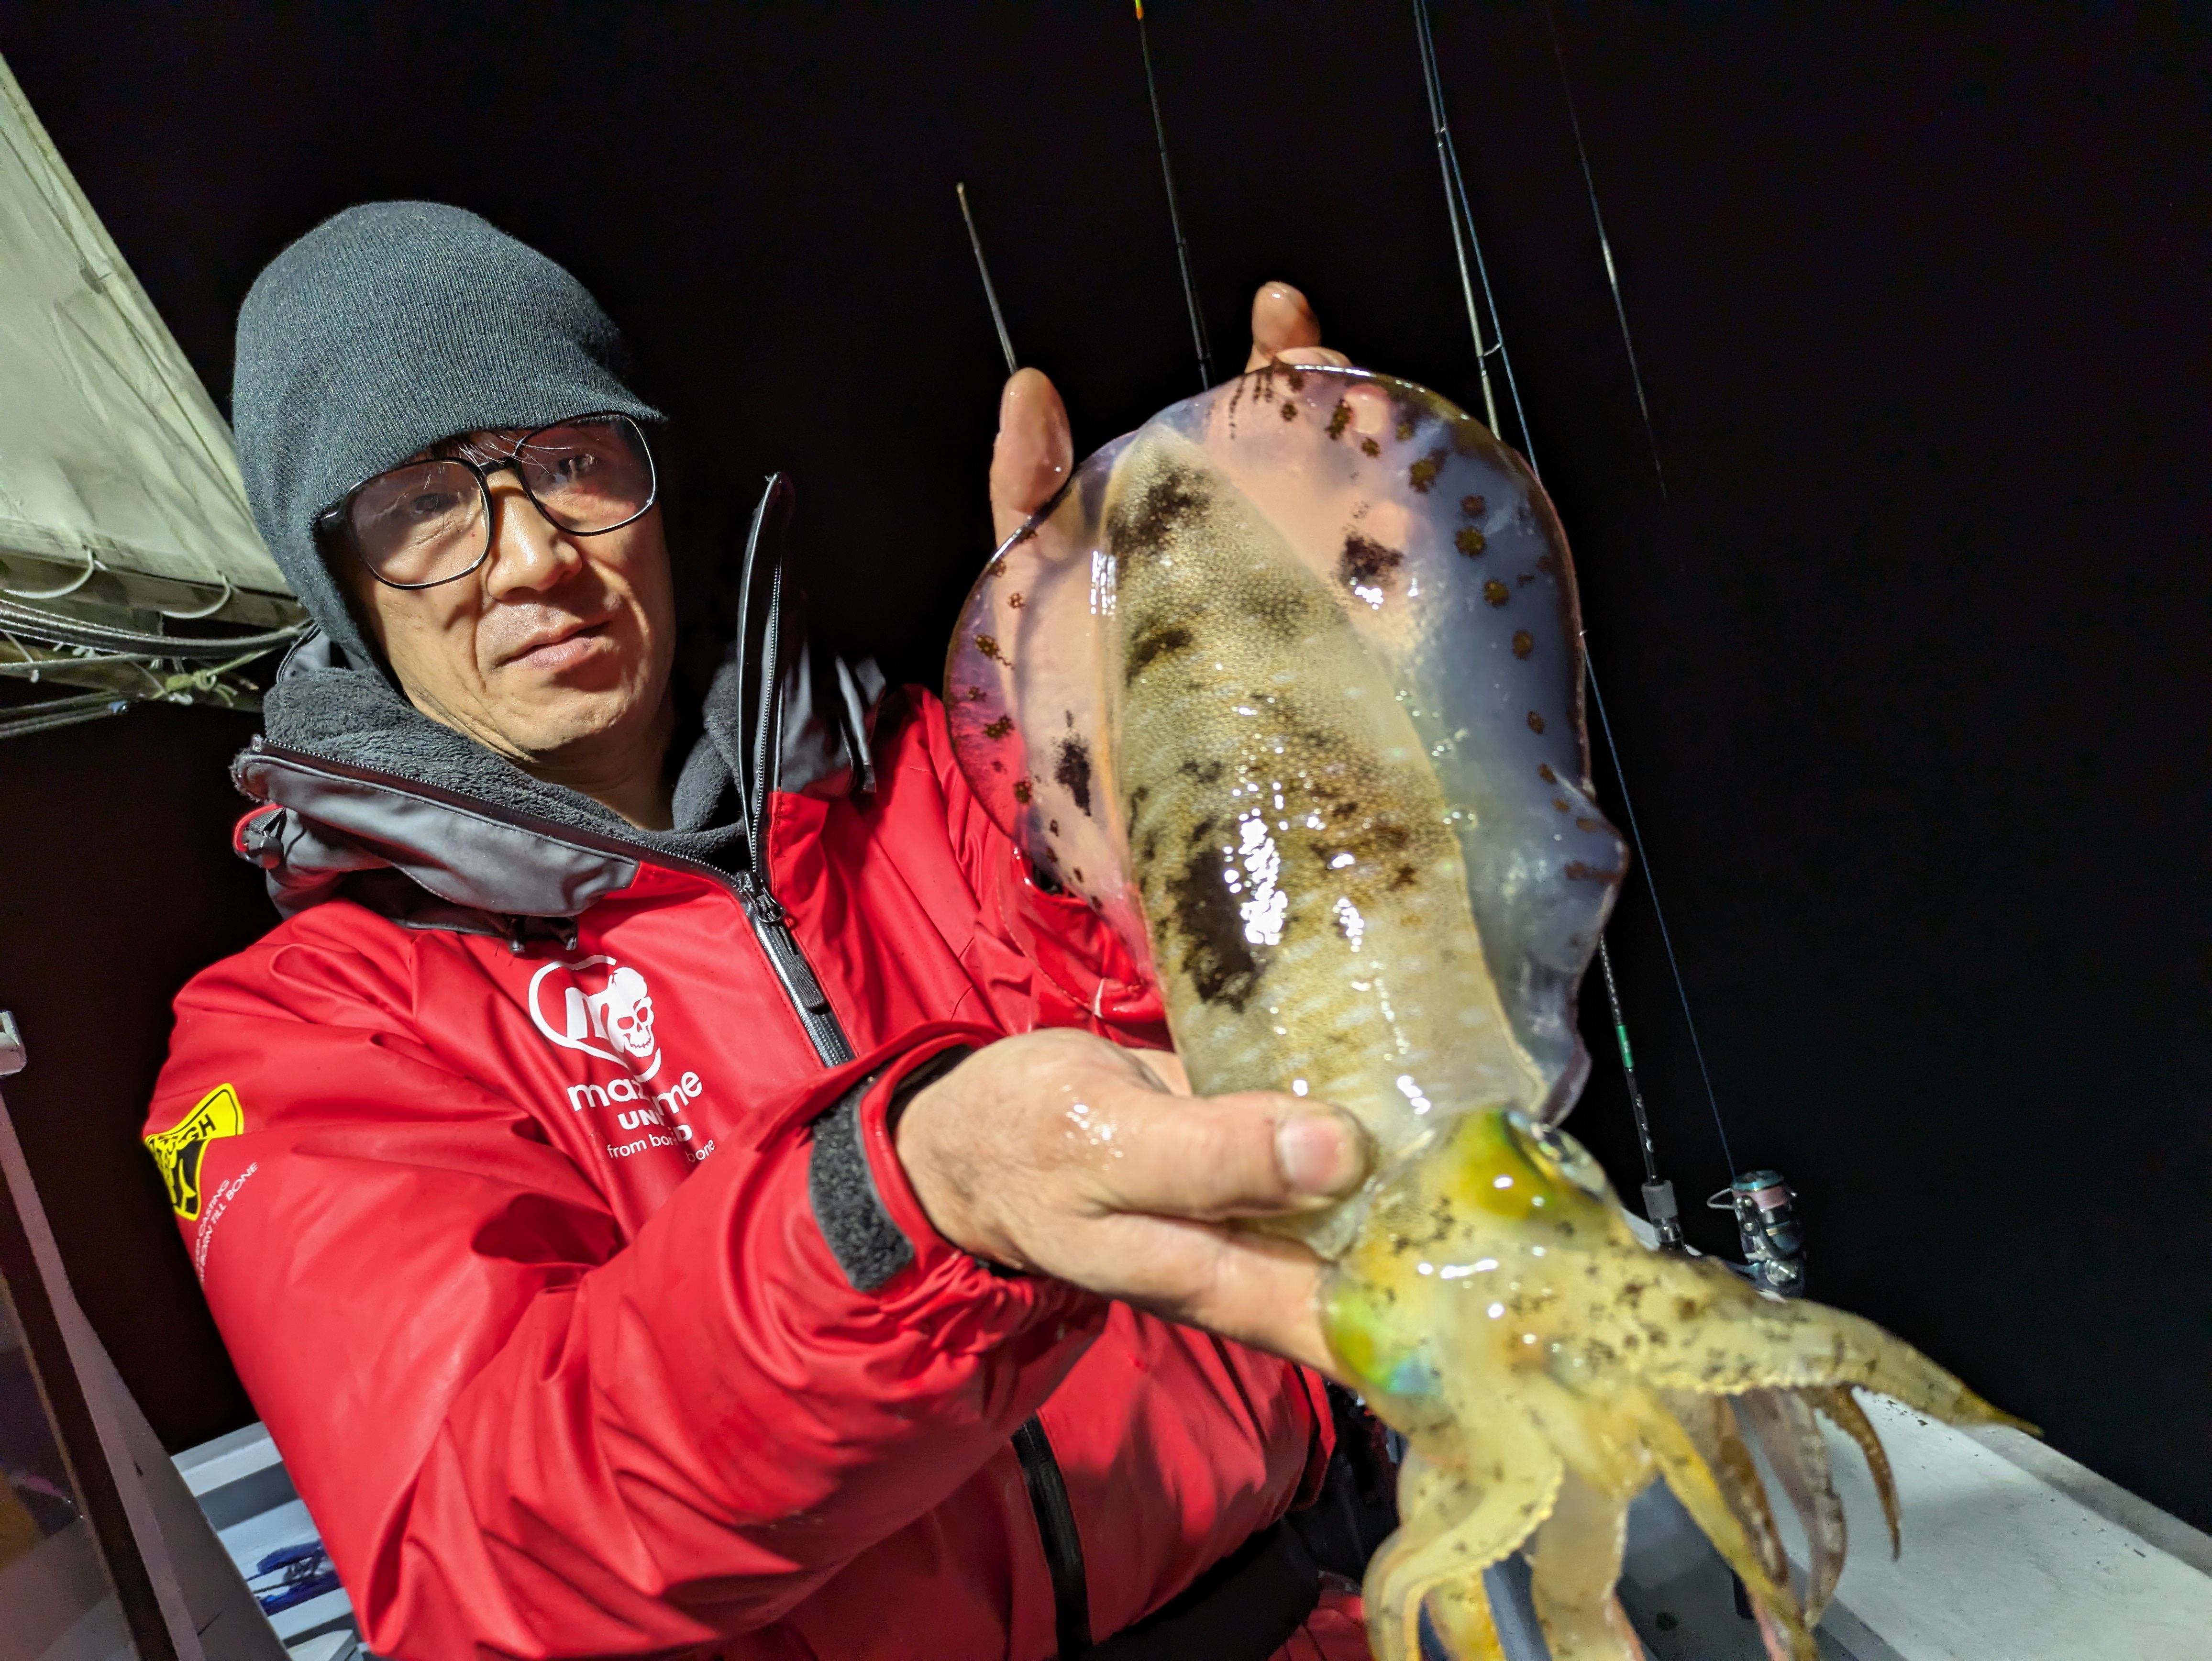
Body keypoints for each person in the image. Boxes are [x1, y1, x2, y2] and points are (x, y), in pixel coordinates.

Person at [144, 201, 1396, 1661]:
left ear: (652, 484)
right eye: (422, 504)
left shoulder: (936, 773)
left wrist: (1216, 748)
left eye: (573, 461)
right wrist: (906, 1208)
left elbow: (1267, 1037)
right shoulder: (303, 1035)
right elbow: (482, 1560)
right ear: (342, 586)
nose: (533, 554)